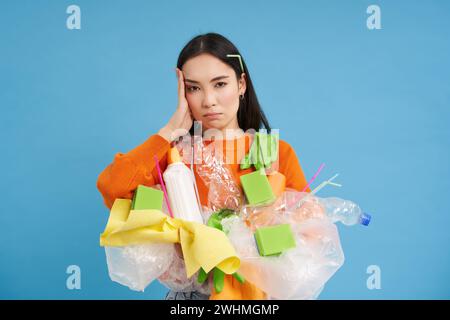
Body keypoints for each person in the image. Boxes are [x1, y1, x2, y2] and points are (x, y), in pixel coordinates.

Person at [97, 32, 310, 300]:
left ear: (241, 84)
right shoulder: (176, 157)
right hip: (192, 298)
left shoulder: (275, 153)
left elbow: (308, 231)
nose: (208, 100)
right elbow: (111, 186)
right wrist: (169, 131)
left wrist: (253, 245)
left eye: (220, 84)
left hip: (259, 296)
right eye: (194, 88)